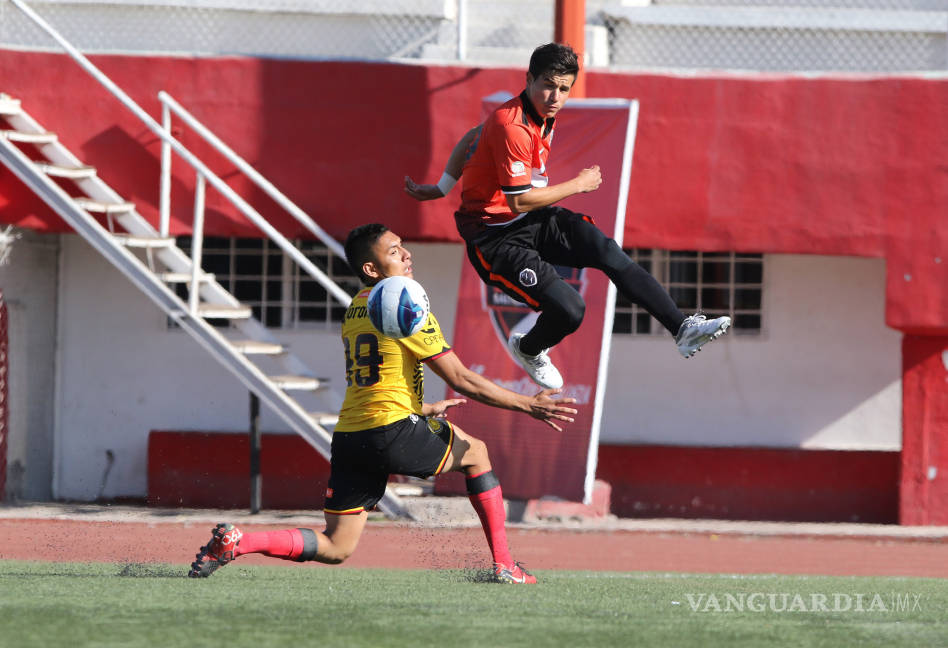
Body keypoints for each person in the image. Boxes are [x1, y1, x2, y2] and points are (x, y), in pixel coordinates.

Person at [188, 223, 578, 584]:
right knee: (477, 453)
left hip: (352, 437)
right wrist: (529, 405)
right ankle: (505, 565)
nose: (406, 254)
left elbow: (373, 378)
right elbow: (462, 378)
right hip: (391, 431)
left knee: (337, 547)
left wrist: (422, 408)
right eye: (395, 251)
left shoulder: (356, 308)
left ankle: (239, 542)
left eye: (404, 247)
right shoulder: (406, 308)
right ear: (373, 269)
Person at [405, 42, 730, 390]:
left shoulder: (541, 113)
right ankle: (528, 348)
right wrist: (579, 183)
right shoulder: (512, 125)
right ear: (529, 79)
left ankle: (682, 329)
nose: (555, 95)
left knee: (607, 251)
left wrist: (441, 186)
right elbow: (520, 201)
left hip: (532, 219)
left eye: (564, 88)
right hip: (495, 239)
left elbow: (474, 135)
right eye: (548, 84)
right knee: (570, 309)